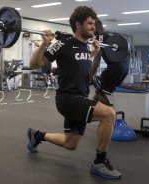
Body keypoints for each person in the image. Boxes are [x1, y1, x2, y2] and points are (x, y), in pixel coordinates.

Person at [26, 6, 121, 179]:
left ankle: (37, 135)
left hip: (80, 98)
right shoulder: (63, 44)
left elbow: (80, 63)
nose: (94, 27)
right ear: (78, 25)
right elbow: (34, 64)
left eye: (94, 23)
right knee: (109, 114)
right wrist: (45, 44)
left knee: (70, 144)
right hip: (68, 99)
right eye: (90, 23)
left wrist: (93, 53)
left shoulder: (85, 46)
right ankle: (100, 162)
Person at [91, 18, 130, 106]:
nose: (90, 28)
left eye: (91, 25)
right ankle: (89, 110)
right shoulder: (108, 35)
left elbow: (97, 56)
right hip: (125, 67)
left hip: (116, 68)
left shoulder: (100, 36)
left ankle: (110, 114)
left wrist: (91, 74)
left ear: (95, 27)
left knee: (100, 92)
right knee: (99, 92)